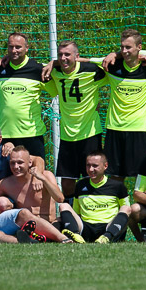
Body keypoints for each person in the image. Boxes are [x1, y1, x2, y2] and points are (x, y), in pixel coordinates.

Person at [43, 40, 106, 198]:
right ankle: (70, 210)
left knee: (92, 177)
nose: (63, 58)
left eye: (67, 54)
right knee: (67, 183)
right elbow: (34, 67)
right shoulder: (54, 72)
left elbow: (109, 64)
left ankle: (93, 209)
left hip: (90, 133)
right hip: (67, 135)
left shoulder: (92, 70)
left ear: (77, 56)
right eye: (60, 55)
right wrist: (53, 63)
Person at [101, 29, 146, 181]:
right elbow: (85, 61)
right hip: (114, 128)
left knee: (142, 177)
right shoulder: (112, 66)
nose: (124, 51)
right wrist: (114, 54)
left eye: (128, 47)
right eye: (122, 47)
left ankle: (143, 199)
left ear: (139, 47)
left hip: (138, 130)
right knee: (115, 178)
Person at [0, 147, 79, 237]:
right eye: (12, 163)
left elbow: (60, 198)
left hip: (51, 223)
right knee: (1, 201)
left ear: (30, 162)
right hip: (29, 226)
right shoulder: (6, 183)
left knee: (64, 207)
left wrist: (43, 179)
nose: (16, 167)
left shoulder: (46, 175)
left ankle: (74, 235)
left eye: (20, 162)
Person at [0, 33, 48, 158]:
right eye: (11, 47)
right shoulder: (0, 70)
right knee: (8, 170)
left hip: (32, 135)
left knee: (36, 169)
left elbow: (56, 90)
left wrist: (53, 63)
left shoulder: (38, 70)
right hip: (6, 135)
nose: (14, 50)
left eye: (18, 47)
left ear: (27, 48)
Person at [62, 151, 131, 243]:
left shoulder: (117, 186)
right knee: (64, 206)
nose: (91, 169)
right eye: (88, 165)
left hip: (108, 227)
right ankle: (75, 236)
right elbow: (76, 212)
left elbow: (127, 213)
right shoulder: (80, 185)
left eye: (95, 166)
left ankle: (107, 237)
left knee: (126, 208)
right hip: (86, 228)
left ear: (105, 166)